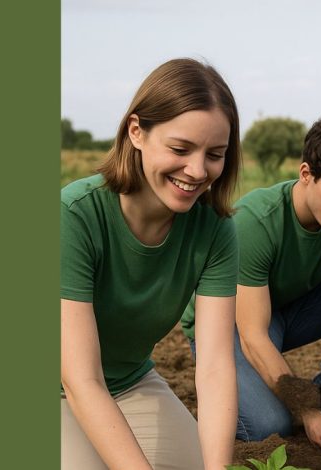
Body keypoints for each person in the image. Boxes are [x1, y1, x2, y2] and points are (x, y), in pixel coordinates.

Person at [181, 117, 321, 460]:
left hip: (288, 310)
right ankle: (227, 401)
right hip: (229, 326)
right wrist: (306, 412)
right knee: (271, 425)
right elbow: (253, 333)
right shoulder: (256, 222)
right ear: (305, 174)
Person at [60, 58, 241, 469]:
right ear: (137, 132)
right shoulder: (75, 215)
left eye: (215, 154)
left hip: (128, 382)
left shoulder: (213, 229)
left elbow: (214, 367)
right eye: (180, 149)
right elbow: (80, 378)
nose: (196, 171)